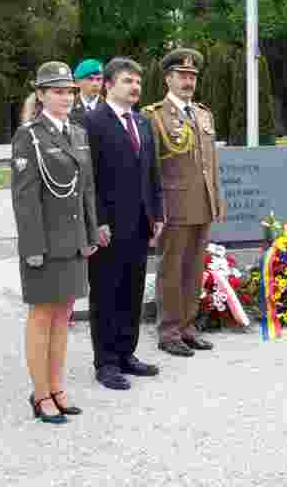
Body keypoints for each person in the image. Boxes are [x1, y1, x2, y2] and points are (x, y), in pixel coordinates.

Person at [11, 62, 98, 423]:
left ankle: (58, 387)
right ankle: (40, 393)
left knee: (63, 317)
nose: (65, 96)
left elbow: (86, 190)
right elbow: (24, 198)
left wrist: (91, 235)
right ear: (42, 94)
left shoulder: (77, 134)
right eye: (57, 90)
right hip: (45, 244)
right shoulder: (29, 136)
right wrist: (32, 247)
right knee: (42, 315)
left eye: (69, 91)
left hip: (74, 241)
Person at [83, 58, 164, 390]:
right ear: (108, 85)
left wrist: (157, 213)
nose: (135, 87)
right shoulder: (93, 122)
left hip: (139, 222)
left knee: (131, 290)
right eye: (128, 81)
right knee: (106, 292)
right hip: (109, 226)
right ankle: (106, 361)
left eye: (138, 82)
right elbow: (89, 178)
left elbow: (152, 171)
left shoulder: (143, 122)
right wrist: (97, 222)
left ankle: (127, 353)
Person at [142, 48, 225, 357]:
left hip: (202, 204)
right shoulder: (154, 116)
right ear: (168, 78)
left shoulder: (203, 113)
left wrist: (216, 199)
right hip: (173, 207)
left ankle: (189, 327)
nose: (188, 81)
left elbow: (210, 163)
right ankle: (169, 331)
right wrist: (155, 208)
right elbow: (150, 168)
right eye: (182, 76)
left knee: (193, 269)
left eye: (192, 76)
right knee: (171, 271)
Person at [69, 59, 104, 126]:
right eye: (90, 79)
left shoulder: (109, 107)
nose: (95, 84)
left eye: (99, 79)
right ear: (77, 82)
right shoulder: (68, 107)